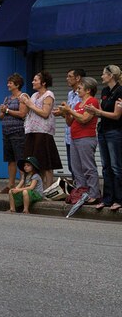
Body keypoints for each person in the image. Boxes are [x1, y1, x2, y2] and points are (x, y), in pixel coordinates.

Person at [59, 77, 100, 205]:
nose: (77, 91)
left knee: (88, 167)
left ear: (88, 90)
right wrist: (66, 113)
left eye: (80, 88)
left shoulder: (92, 102)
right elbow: (70, 122)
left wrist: (70, 110)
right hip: (75, 138)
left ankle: (94, 194)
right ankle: (82, 191)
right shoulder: (78, 104)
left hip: (86, 138)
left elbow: (84, 119)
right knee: (76, 168)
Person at [20, 71, 61, 190]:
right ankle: (39, 188)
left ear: (43, 82)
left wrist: (30, 104)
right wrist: (25, 102)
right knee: (33, 162)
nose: (33, 82)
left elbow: (45, 113)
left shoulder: (48, 95)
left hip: (43, 132)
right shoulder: (34, 95)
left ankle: (48, 189)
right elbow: (28, 113)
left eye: (36, 80)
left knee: (45, 162)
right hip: (31, 131)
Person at [89, 65, 122, 212]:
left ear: (111, 76)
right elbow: (103, 112)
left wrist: (98, 112)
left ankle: (119, 199)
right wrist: (94, 112)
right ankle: (107, 199)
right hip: (103, 131)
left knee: (116, 166)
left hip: (114, 132)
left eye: (104, 74)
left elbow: (116, 115)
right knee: (106, 166)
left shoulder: (120, 91)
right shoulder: (105, 91)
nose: (102, 76)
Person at [0, 73, 28, 194]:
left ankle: (22, 183)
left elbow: (22, 114)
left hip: (18, 132)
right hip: (6, 132)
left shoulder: (22, 97)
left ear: (17, 84)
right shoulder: (7, 98)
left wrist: (7, 110)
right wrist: (2, 111)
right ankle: (11, 184)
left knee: (20, 159)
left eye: (10, 83)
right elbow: (0, 117)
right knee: (10, 160)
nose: (8, 85)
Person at [60, 68, 85, 178]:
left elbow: (81, 114)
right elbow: (69, 113)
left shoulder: (83, 95)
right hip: (69, 134)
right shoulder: (70, 94)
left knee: (81, 166)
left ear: (78, 78)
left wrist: (68, 111)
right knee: (71, 166)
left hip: (79, 134)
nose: (67, 79)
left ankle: (84, 190)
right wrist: (62, 112)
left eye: (70, 76)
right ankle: (77, 190)